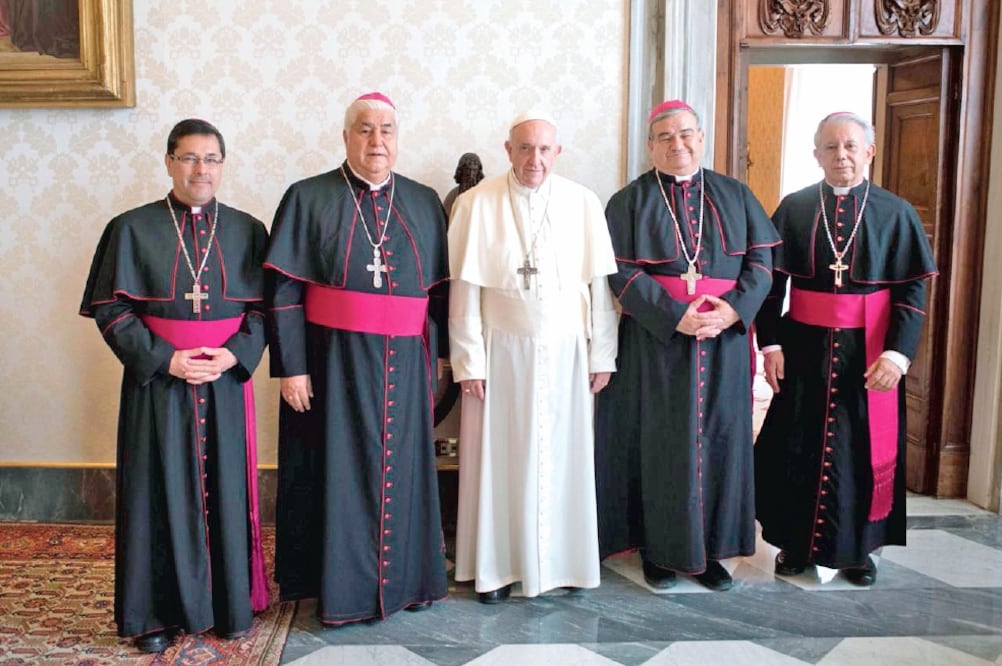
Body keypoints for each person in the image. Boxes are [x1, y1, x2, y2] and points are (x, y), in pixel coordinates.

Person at [79, 119, 270, 653]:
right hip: (158, 385)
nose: (200, 170)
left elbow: (264, 309)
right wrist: (166, 359)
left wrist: (233, 353)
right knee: (153, 496)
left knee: (227, 490)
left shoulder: (248, 229)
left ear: (223, 165)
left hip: (225, 382)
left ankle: (229, 606)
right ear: (168, 162)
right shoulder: (132, 228)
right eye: (189, 158)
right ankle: (154, 615)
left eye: (211, 159)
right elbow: (109, 308)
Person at [265, 91, 449, 625]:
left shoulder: (422, 199)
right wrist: (292, 366)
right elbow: (283, 292)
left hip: (406, 365)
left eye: (386, 130)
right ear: (345, 136)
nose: (377, 140)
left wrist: (437, 363)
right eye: (364, 129)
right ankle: (337, 587)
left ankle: (407, 581)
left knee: (405, 470)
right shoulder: (307, 196)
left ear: (398, 137)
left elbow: (438, 296)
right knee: (334, 471)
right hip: (331, 363)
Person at [595, 99, 780, 591]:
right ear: (650, 145)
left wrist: (735, 310)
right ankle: (660, 549)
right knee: (660, 443)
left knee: (721, 440)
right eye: (665, 137)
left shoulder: (735, 195)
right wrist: (674, 316)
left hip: (723, 341)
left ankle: (713, 552)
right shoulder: (628, 201)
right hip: (656, 342)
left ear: (701, 137)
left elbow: (762, 262)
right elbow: (617, 269)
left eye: (686, 134)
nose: (677, 144)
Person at [754, 112, 938, 586]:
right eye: (831, 147)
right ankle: (793, 545)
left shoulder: (894, 212)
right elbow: (770, 285)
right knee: (797, 445)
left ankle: (859, 551)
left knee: (862, 449)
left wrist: (898, 355)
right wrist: (770, 343)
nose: (842, 156)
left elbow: (913, 290)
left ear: (869, 152)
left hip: (869, 352)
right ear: (816, 155)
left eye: (851, 146)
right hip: (804, 348)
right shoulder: (794, 208)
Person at [448, 110, 619, 604]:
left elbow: (599, 289)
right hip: (500, 350)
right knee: (498, 461)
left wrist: (601, 354)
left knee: (564, 457)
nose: (535, 159)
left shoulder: (583, 203)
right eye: (525, 148)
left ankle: (563, 564)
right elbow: (464, 292)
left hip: (568, 352)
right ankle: (496, 568)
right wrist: (469, 362)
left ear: (558, 153)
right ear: (508, 150)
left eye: (544, 149)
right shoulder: (475, 204)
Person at [442, 152, 485, 222]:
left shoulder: (484, 194)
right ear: (461, 171)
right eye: (468, 170)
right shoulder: (453, 195)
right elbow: (445, 220)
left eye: (474, 170)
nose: (471, 175)